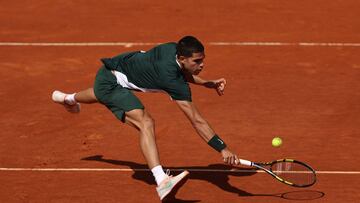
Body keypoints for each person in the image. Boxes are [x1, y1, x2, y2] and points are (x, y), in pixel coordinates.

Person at [52, 36, 239, 200]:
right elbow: (196, 120)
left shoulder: (172, 49)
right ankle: (161, 179)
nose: (201, 65)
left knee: (101, 93)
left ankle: (67, 98)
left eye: (202, 60)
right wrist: (222, 148)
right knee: (145, 122)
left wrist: (207, 82)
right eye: (197, 62)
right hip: (111, 81)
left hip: (112, 71)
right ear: (182, 58)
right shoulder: (171, 79)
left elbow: (181, 73)